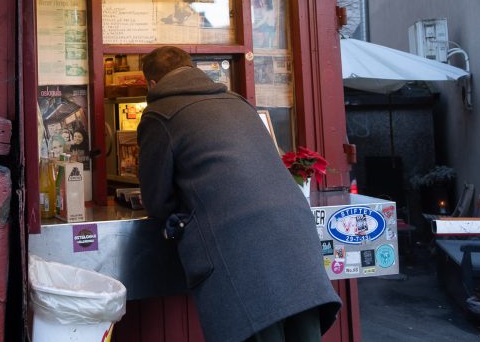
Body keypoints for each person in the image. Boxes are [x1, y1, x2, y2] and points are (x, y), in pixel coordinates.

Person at [137, 46, 340, 342]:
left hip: (238, 246)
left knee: (257, 329)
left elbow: (157, 201)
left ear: (152, 85)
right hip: (295, 232)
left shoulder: (159, 114)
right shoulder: (238, 101)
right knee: (303, 331)